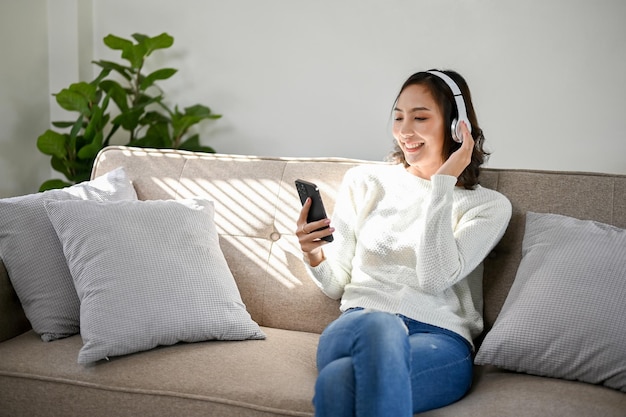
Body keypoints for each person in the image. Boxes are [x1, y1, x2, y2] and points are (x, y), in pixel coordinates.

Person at [295, 69, 512, 416]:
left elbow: (434, 278)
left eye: (420, 117)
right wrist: (314, 253)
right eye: (398, 117)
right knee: (378, 325)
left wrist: (442, 185)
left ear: (458, 126)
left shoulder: (487, 207)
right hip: (360, 322)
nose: (404, 131)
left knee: (339, 381)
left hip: (440, 338)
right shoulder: (365, 182)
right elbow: (337, 286)